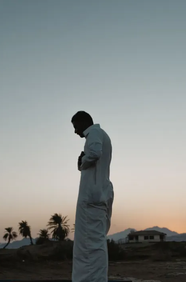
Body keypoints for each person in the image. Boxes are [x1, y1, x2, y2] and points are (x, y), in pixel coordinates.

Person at [71, 111, 114, 282]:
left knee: (89, 246)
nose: (75, 132)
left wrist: (83, 161)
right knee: (94, 244)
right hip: (98, 195)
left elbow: (95, 153)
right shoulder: (102, 135)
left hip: (91, 198)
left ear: (84, 122)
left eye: (76, 127)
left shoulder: (94, 133)